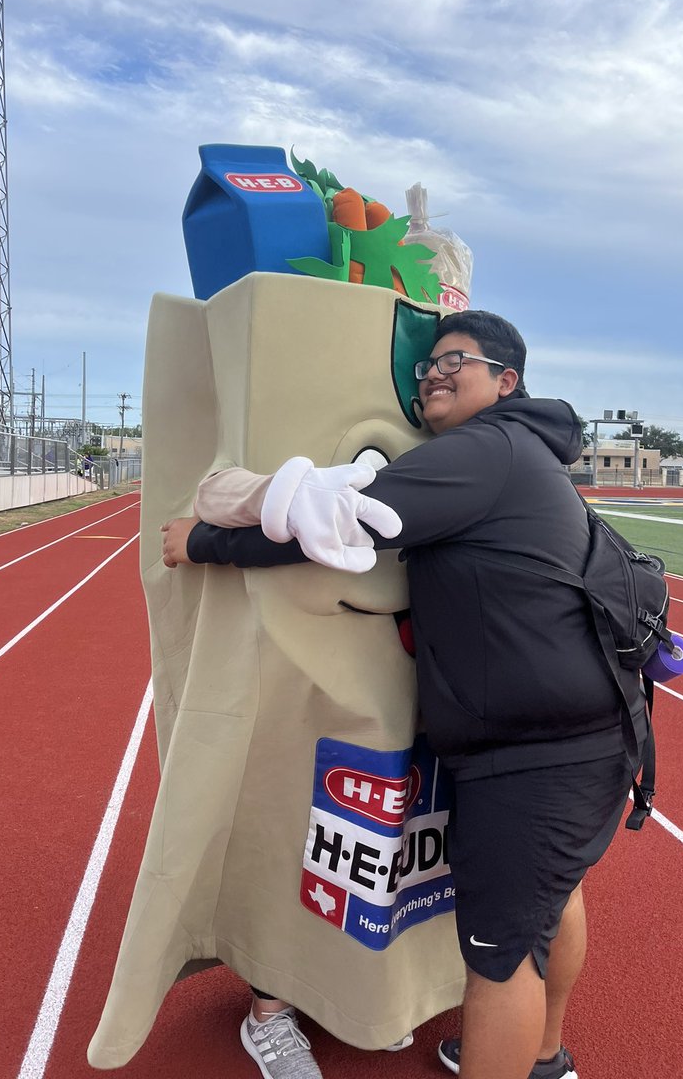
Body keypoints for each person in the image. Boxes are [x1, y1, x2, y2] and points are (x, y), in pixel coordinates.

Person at [162, 310, 647, 1079]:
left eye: (458, 361)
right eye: (427, 368)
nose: (435, 375)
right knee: (549, 904)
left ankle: (532, 1056)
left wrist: (203, 540)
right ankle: (546, 1055)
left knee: (499, 957)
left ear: (506, 380)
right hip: (591, 732)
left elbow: (346, 521)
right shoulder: (529, 454)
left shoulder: (486, 450)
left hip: (531, 754)